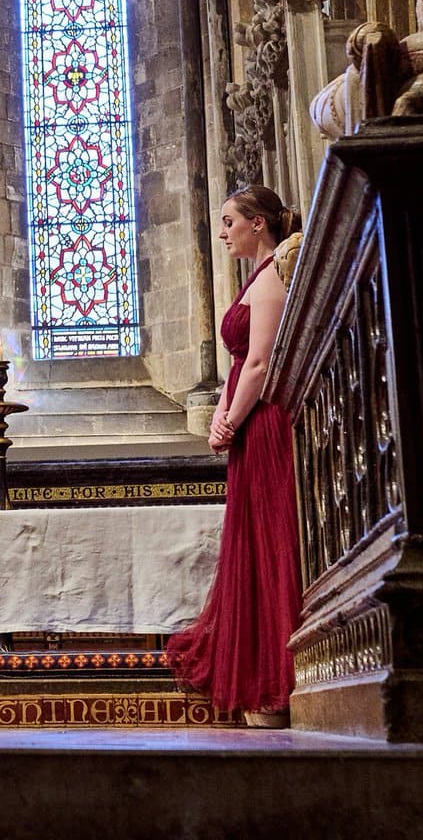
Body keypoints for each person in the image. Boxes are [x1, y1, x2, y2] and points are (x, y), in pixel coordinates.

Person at [166, 185, 303, 726]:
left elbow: (262, 364)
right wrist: (224, 416)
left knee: (269, 541)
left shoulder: (271, 279)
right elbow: (243, 361)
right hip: (249, 424)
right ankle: (264, 681)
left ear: (259, 224)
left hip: (264, 423)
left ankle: (276, 686)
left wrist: (229, 418)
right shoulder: (258, 275)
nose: (223, 231)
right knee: (251, 540)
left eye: (230, 221)